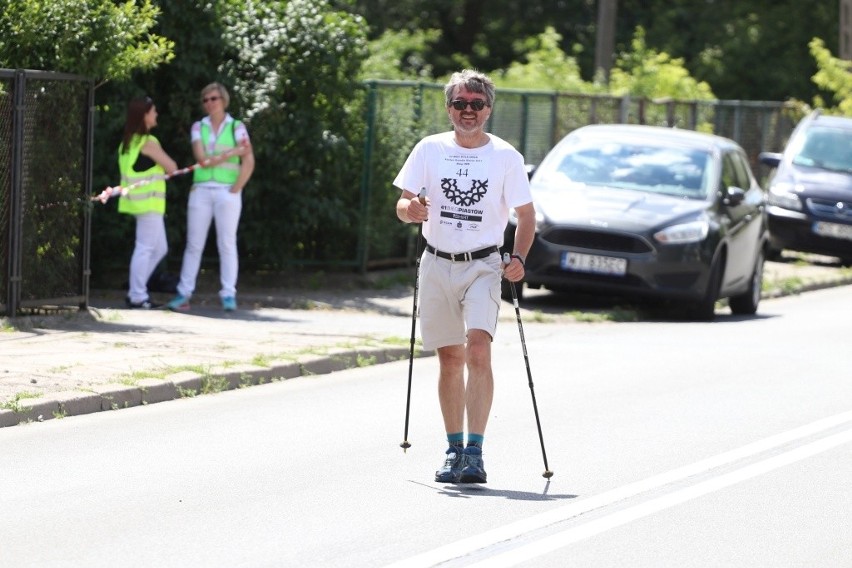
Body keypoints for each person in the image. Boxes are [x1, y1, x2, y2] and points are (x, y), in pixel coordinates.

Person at [394, 69, 536, 483]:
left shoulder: (505, 156)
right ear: (449, 108)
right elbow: (403, 204)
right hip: (436, 262)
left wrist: (520, 259)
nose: (468, 111)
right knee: (450, 357)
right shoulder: (429, 149)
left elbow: (526, 216)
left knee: (478, 349)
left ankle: (475, 452)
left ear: (489, 109)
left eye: (476, 104)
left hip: (484, 264)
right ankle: (454, 449)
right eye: (460, 104)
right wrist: (412, 211)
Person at [167, 82, 255, 312]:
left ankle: (228, 294)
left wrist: (237, 187)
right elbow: (202, 158)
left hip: (228, 190)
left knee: (227, 243)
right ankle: (183, 293)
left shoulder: (236, 125)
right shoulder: (199, 126)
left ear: (223, 100)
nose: (209, 103)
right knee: (194, 244)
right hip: (202, 189)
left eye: (213, 99)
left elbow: (249, 159)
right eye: (205, 100)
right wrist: (233, 152)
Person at [118, 96, 178, 309]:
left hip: (139, 203)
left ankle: (137, 288)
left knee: (159, 248)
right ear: (145, 115)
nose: (156, 114)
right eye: (153, 111)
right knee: (145, 248)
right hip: (148, 204)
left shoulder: (128, 143)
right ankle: (137, 295)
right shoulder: (148, 143)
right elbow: (171, 166)